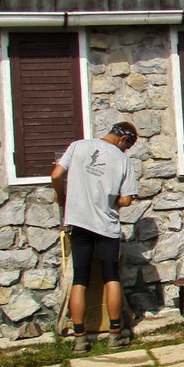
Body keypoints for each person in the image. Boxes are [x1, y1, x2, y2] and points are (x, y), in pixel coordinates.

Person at [51, 122, 139, 353]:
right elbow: (127, 200)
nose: (126, 151)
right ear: (124, 140)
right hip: (105, 226)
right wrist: (109, 200)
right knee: (112, 278)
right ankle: (115, 334)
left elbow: (56, 174)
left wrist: (62, 196)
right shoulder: (122, 160)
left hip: (78, 222)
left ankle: (80, 338)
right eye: (128, 146)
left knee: (79, 279)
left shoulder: (78, 146)